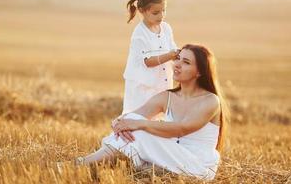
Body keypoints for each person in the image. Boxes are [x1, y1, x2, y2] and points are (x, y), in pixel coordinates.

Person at [75, 44, 229, 180]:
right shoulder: (168, 96)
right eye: (177, 59)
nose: (177, 65)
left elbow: (181, 129)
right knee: (133, 128)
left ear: (200, 72)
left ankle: (79, 164)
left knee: (139, 132)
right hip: (171, 154)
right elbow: (135, 115)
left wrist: (138, 124)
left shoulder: (210, 101)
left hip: (197, 165)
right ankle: (83, 165)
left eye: (186, 62)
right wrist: (119, 122)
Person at [122, 0, 179, 114]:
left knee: (161, 120)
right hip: (143, 88)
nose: (161, 15)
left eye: (164, 11)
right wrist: (170, 55)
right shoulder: (139, 34)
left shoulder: (166, 28)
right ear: (142, 10)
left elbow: (173, 48)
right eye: (156, 13)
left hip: (162, 84)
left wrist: (180, 54)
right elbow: (148, 62)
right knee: (140, 119)